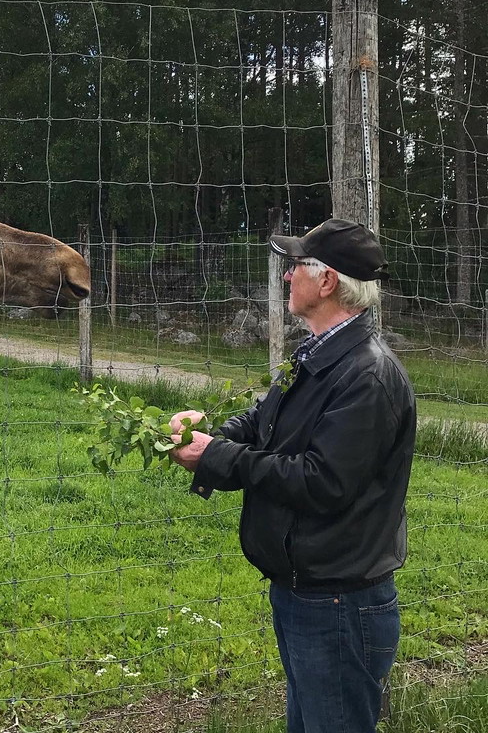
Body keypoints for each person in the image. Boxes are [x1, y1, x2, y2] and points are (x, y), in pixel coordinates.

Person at [169, 218, 416, 733]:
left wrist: (217, 456)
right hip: (307, 588)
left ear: (326, 281)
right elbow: (266, 421)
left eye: (295, 265)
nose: (286, 276)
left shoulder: (368, 376)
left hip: (339, 598)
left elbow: (320, 483)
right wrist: (209, 434)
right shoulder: (317, 353)